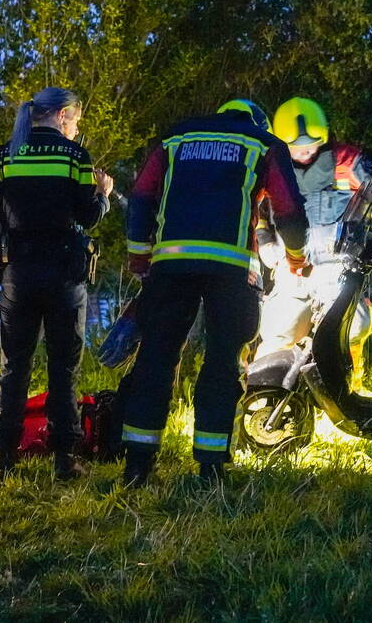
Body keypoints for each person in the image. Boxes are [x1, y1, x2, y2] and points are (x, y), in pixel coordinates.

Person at [121, 99, 309, 487]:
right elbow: (288, 210)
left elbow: (141, 196)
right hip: (230, 271)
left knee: (155, 357)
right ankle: (210, 465)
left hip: (171, 266)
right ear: (257, 120)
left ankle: (137, 464)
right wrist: (295, 257)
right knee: (223, 362)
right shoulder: (263, 143)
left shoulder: (176, 137)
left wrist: (140, 256)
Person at [0, 87, 113, 481]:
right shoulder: (74, 157)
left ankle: (3, 458)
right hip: (63, 274)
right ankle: (64, 459)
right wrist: (103, 195)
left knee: (13, 366)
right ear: (61, 116)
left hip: (17, 273)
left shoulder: (4, 156)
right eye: (74, 122)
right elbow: (87, 217)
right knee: (63, 368)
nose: (75, 130)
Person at [255, 97, 372, 387]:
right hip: (291, 269)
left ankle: (348, 389)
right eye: (296, 147)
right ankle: (263, 394)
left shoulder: (346, 161)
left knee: (352, 326)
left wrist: (367, 231)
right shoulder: (271, 169)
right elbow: (259, 212)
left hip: (339, 266)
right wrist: (264, 241)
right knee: (278, 332)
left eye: (312, 144)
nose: (305, 152)